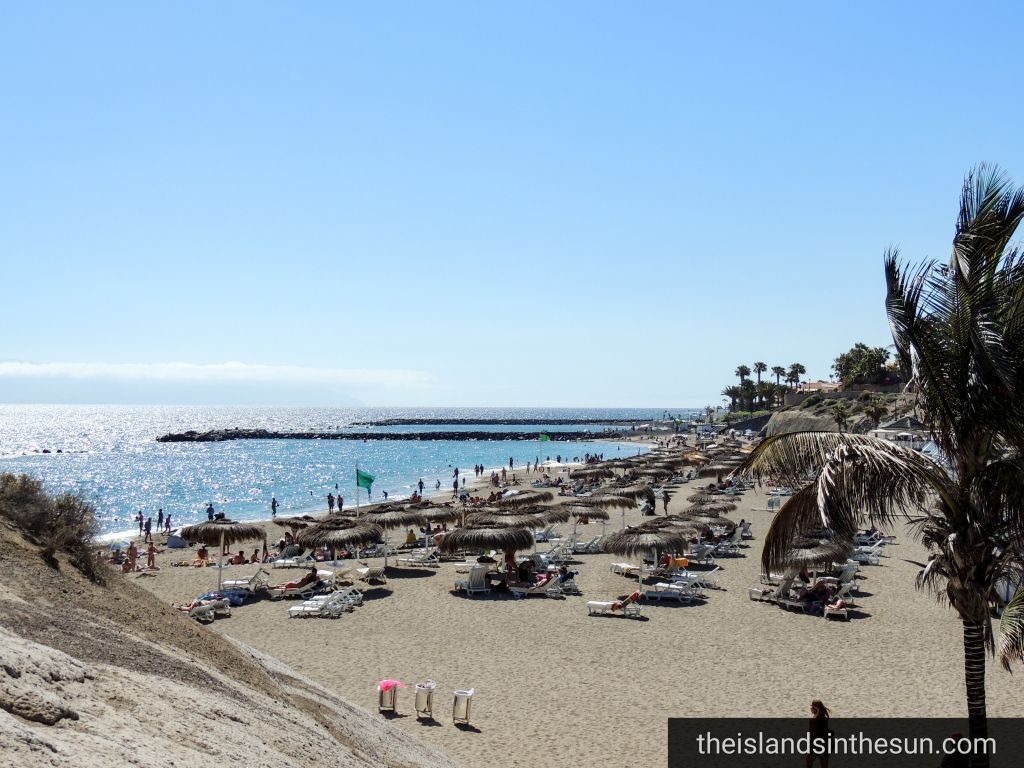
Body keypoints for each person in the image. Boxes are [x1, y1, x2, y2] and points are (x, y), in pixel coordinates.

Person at [805, 700, 831, 767]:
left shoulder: (814, 720)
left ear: (816, 709)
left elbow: (813, 734)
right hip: (825, 746)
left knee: (809, 765)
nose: (811, 709)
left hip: (815, 746)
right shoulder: (825, 719)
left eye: (812, 707)